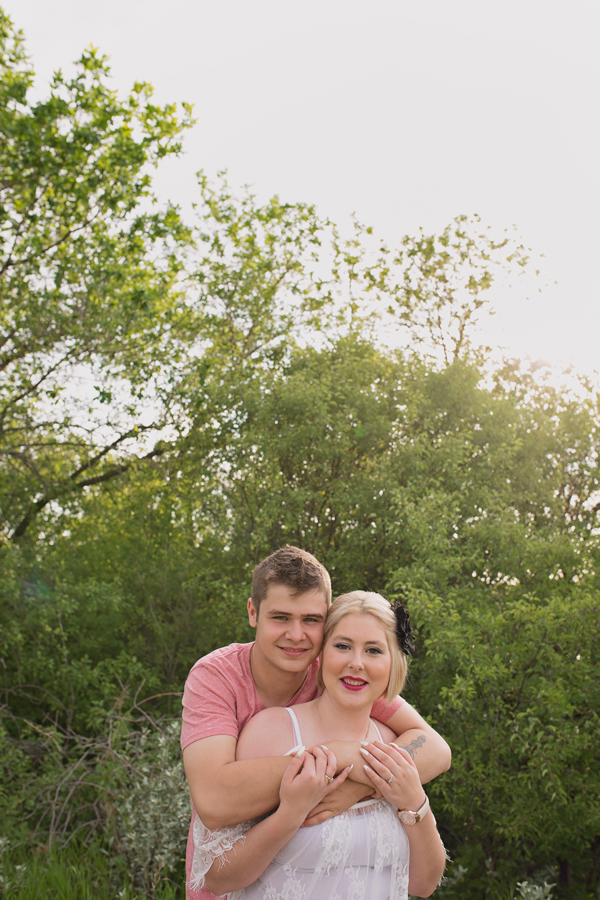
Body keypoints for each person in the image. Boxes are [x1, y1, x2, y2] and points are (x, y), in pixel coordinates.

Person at [181, 547, 451, 900]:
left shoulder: (342, 672)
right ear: (253, 612)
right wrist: (334, 756)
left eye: (311, 620)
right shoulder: (218, 677)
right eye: (280, 617)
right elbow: (214, 801)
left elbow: (435, 748)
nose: (296, 635)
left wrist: (357, 787)